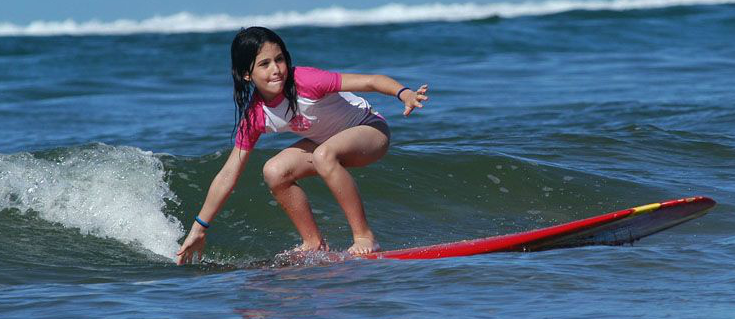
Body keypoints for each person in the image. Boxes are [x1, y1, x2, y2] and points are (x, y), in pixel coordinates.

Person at [175, 26, 428, 265]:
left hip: (370, 130)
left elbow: (370, 81)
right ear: (246, 74)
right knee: (274, 170)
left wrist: (404, 93)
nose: (276, 69)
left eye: (280, 59)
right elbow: (229, 174)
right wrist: (199, 229)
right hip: (327, 145)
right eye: (264, 64)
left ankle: (364, 237)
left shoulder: (307, 80)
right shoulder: (255, 115)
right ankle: (313, 242)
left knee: (323, 155)